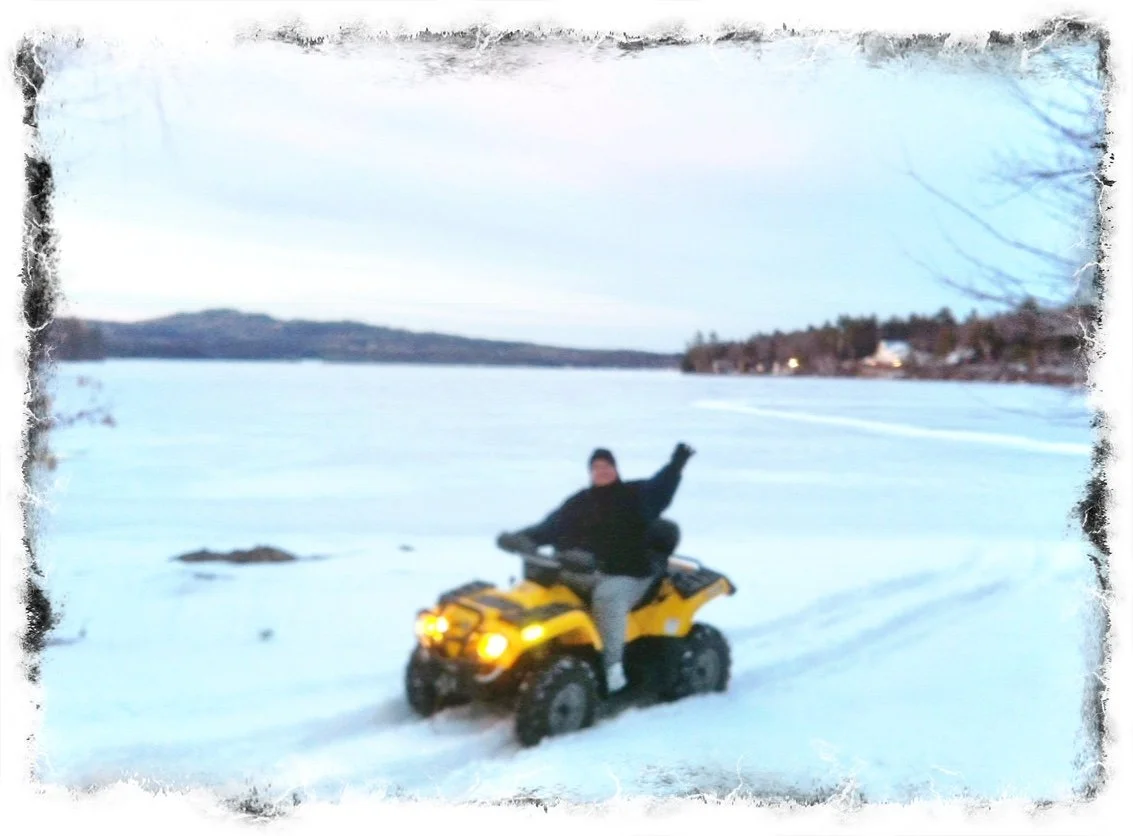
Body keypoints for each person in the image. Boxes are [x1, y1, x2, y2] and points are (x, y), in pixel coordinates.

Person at [497, 443, 696, 693]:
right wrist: (521, 539)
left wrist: (676, 465)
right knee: (544, 585)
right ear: (591, 471)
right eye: (597, 467)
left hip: (630, 572)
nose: (602, 470)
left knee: (607, 596)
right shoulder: (580, 502)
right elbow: (549, 527)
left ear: (615, 469)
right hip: (586, 570)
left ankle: (612, 668)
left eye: (607, 466)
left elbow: (661, 487)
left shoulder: (636, 495)